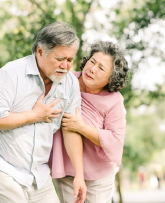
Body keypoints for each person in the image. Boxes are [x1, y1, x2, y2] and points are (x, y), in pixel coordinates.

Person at [0, 22, 86, 203]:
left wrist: (79, 174)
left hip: (38, 174)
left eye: (70, 60)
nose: (65, 66)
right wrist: (34, 115)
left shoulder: (70, 84)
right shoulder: (10, 74)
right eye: (60, 58)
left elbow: (71, 128)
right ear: (40, 52)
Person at [49, 41, 129, 203]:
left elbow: (115, 141)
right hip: (67, 169)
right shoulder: (66, 80)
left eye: (101, 68)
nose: (92, 69)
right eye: (92, 62)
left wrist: (81, 127)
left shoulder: (114, 101)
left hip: (99, 176)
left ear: (110, 78)